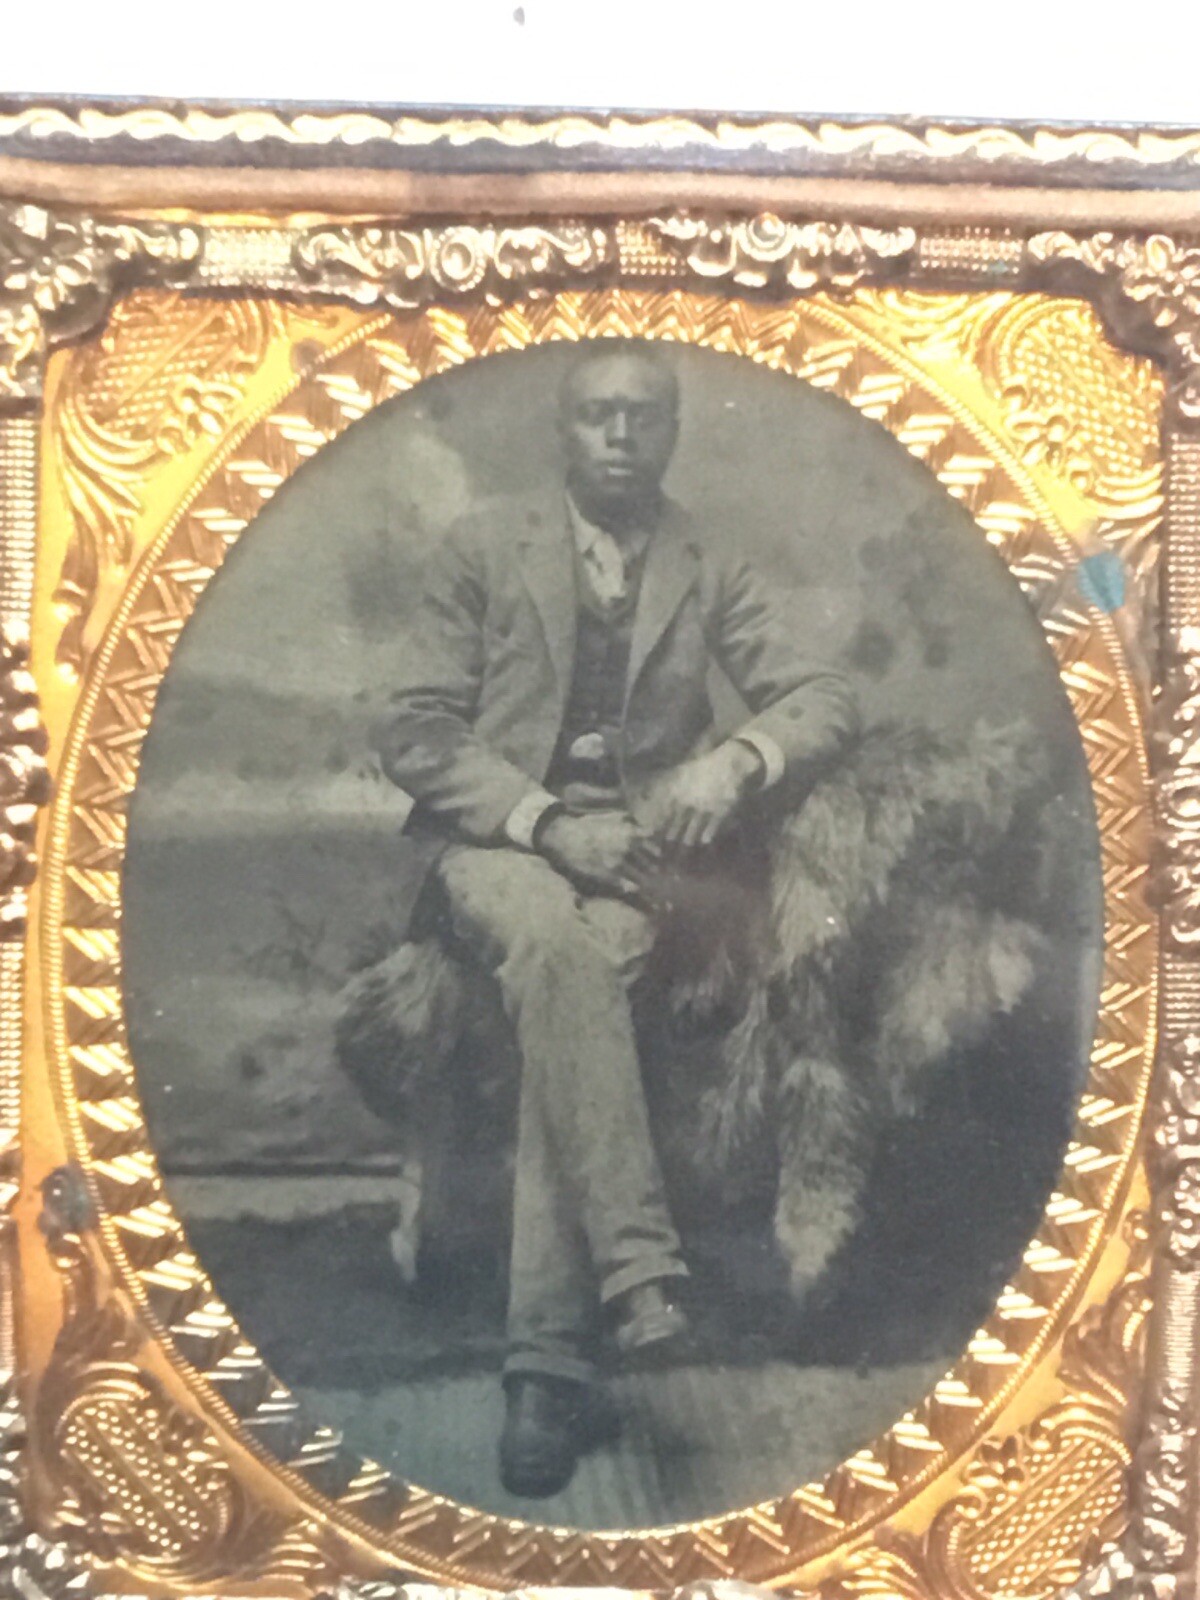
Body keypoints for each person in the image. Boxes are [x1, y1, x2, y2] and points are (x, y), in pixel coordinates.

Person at [376, 341, 858, 1497]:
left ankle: (545, 1366)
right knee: (555, 945)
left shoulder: (710, 561)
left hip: (640, 865)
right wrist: (544, 821)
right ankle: (633, 1284)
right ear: (564, 433)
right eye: (598, 416)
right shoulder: (485, 548)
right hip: (496, 852)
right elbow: (414, 731)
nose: (622, 436)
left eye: (644, 416)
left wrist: (738, 759)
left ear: (673, 432)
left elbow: (825, 694)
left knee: (578, 974)